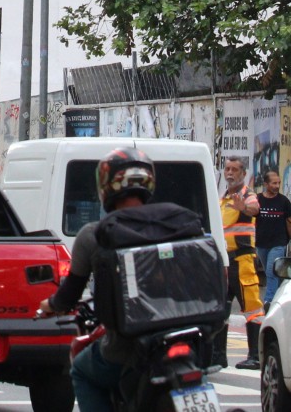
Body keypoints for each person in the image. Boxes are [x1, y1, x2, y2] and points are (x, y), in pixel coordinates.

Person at [37, 146, 188, 412]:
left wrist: (49, 305)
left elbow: (69, 295)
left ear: (106, 186)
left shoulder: (95, 234)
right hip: (187, 339)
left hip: (129, 348)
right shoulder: (176, 224)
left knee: (82, 372)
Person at [218, 156, 263, 369]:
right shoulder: (223, 199)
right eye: (227, 168)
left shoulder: (247, 195)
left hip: (243, 260)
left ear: (243, 173)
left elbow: (254, 209)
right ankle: (218, 356)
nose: (230, 172)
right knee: (220, 309)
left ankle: (255, 355)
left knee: (252, 309)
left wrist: (243, 207)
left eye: (235, 169)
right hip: (225, 262)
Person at [256, 170, 291, 308]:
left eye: (278, 183)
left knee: (271, 271)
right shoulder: (258, 200)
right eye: (274, 183)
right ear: (265, 184)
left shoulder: (284, 201)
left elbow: (289, 221)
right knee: (272, 273)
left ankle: (268, 302)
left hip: (278, 243)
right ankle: (278, 302)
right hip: (261, 243)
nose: (277, 186)